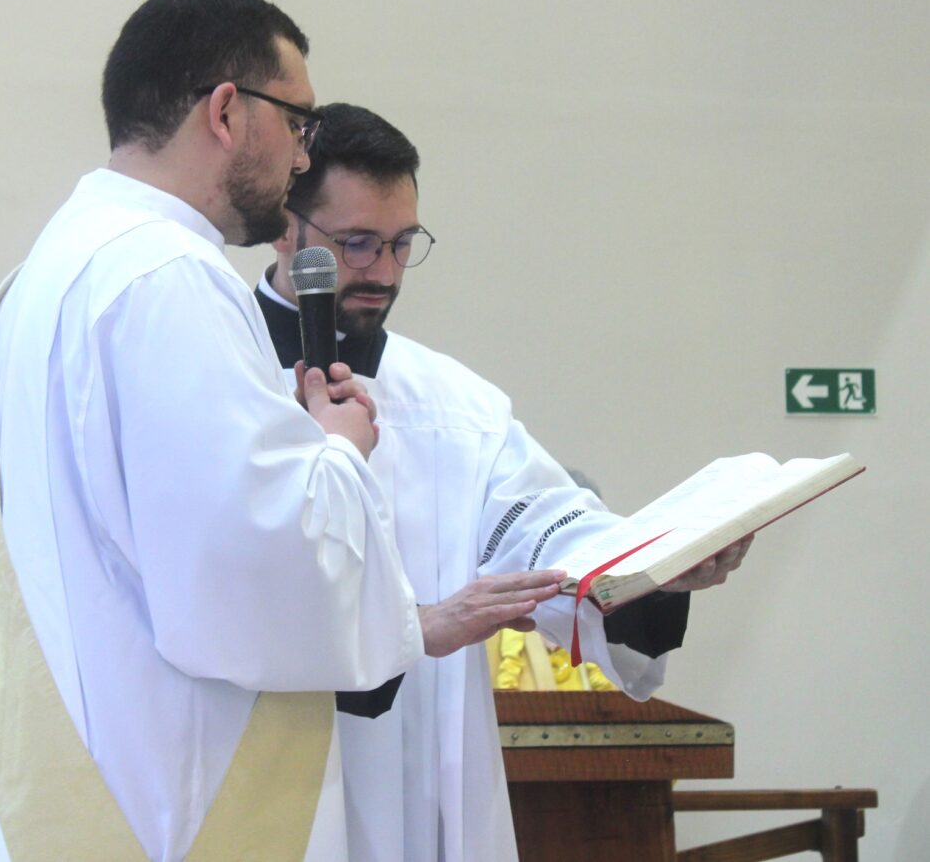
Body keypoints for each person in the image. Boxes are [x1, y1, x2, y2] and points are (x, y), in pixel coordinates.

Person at [0, 0, 548, 862]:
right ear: (228, 110)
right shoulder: (167, 278)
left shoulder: (53, 266)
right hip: (165, 802)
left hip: (72, 769)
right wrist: (339, 451)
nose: (303, 158)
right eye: (299, 123)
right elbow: (249, 571)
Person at [257, 102, 750, 862]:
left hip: (420, 766)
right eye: (356, 243)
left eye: (401, 244)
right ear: (288, 227)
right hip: (263, 772)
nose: (383, 271)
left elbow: (546, 530)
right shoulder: (217, 368)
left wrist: (658, 569)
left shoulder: (455, 404)